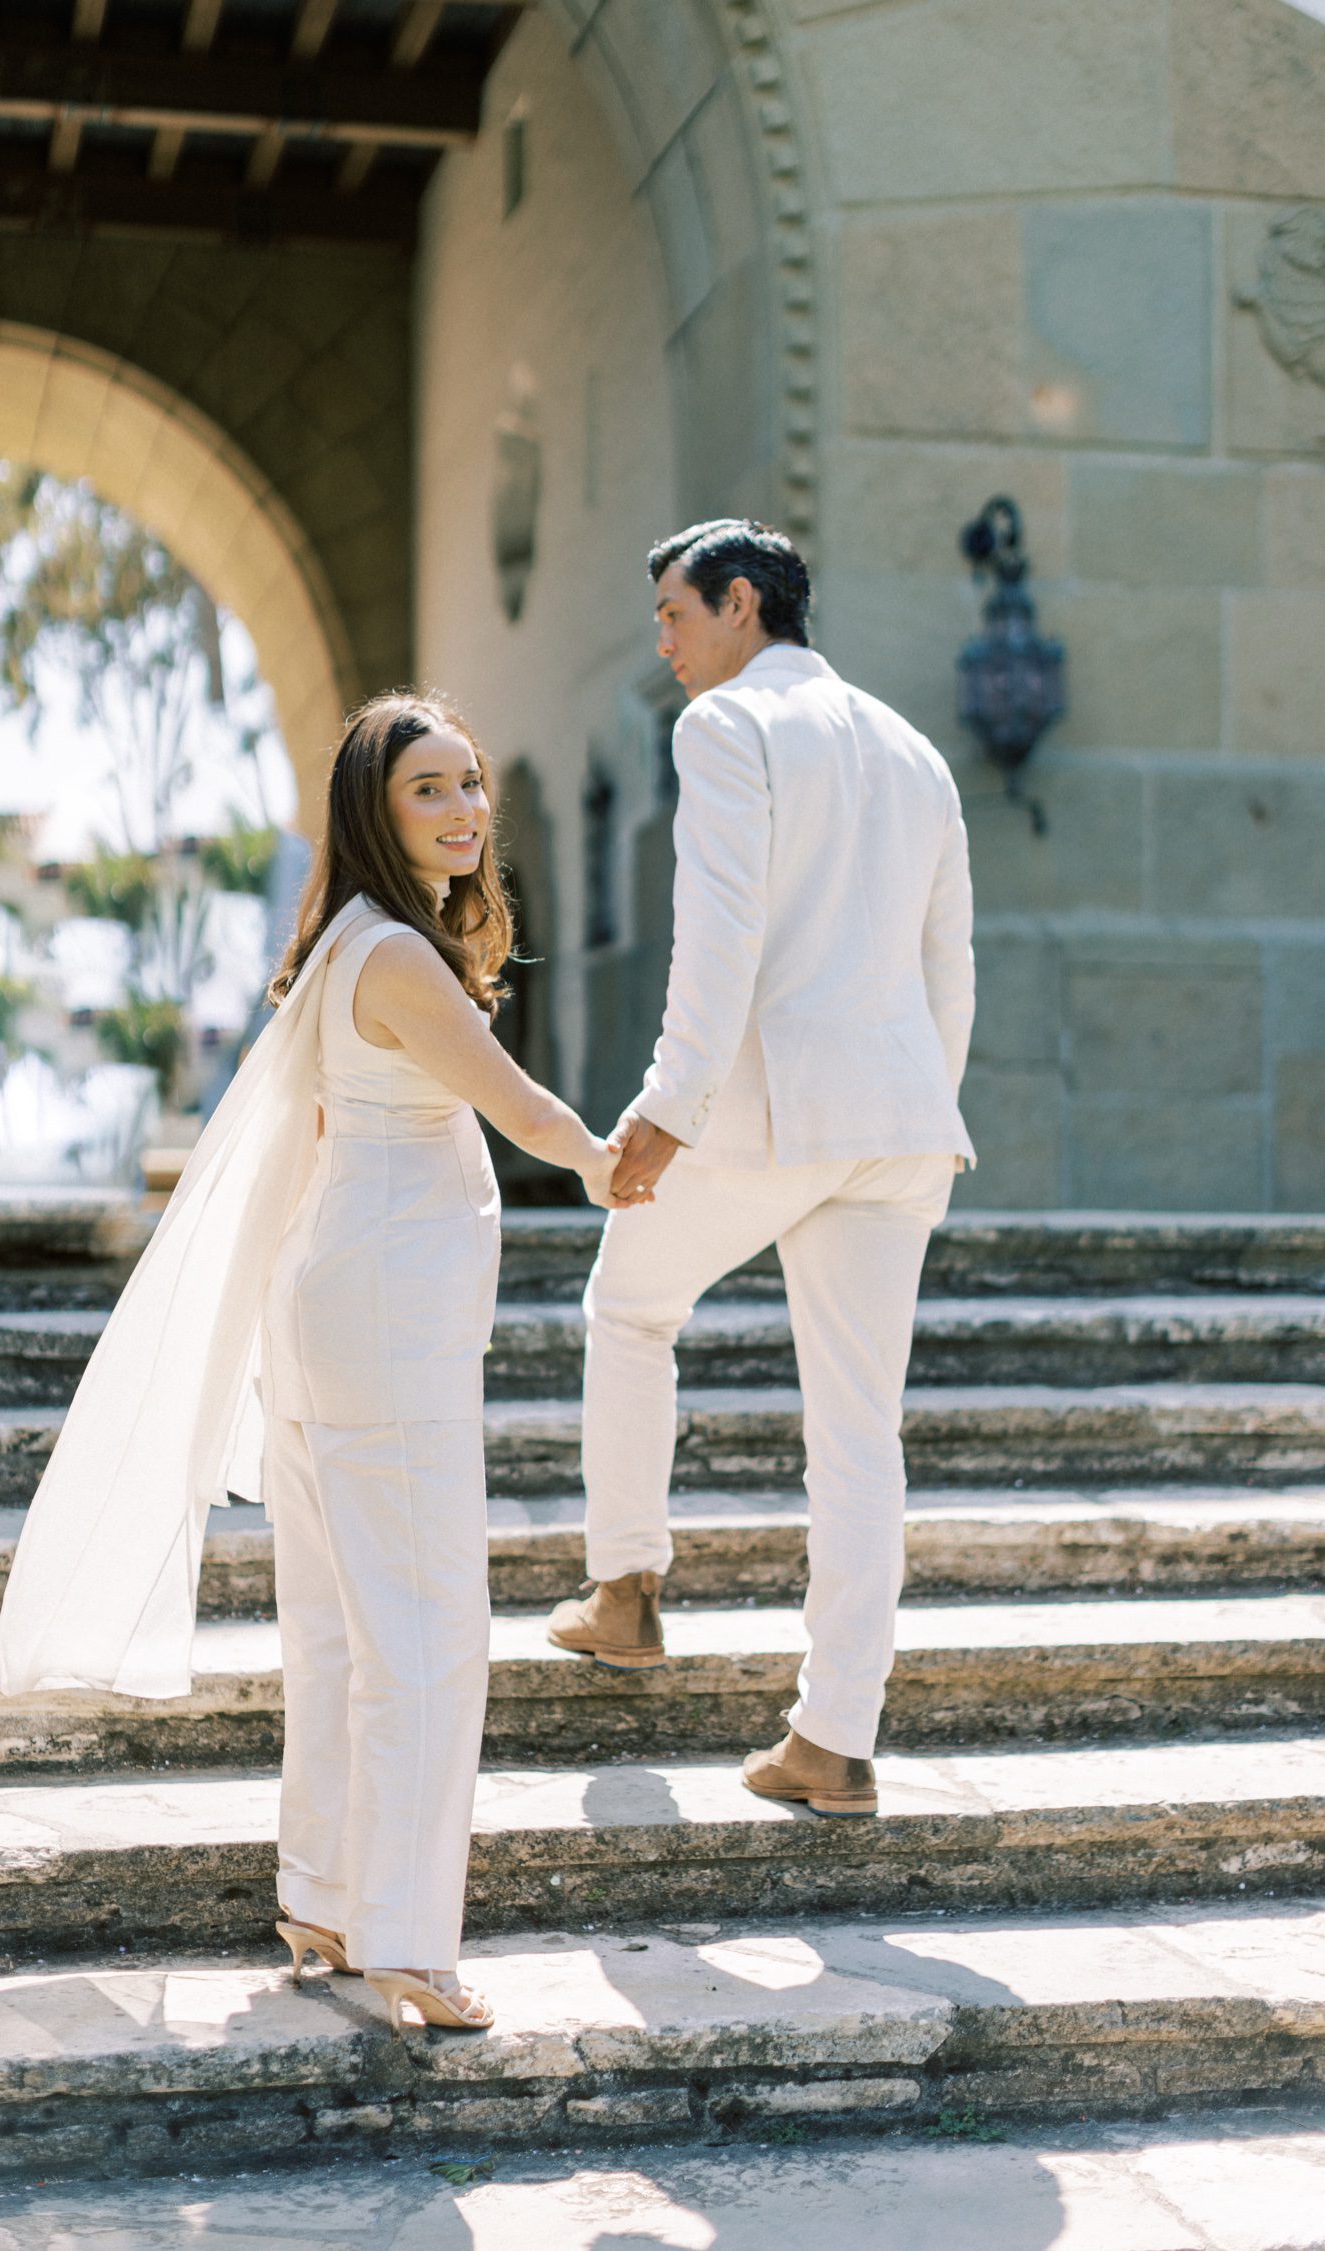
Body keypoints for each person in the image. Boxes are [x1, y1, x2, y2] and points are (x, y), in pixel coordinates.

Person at [0, 692, 617, 2037]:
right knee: (431, 1631)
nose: (463, 812)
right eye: (428, 793)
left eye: (469, 785)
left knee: (341, 1622)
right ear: (374, 816)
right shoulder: (396, 957)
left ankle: (329, 1895)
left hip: (347, 1300)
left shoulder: (347, 943)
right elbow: (522, 1108)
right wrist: (623, 1164)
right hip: (385, 1315)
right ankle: (405, 1940)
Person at [546, 519, 976, 1818]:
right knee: (860, 1434)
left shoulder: (727, 728)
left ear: (742, 605)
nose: (664, 644)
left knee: (628, 1309)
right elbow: (948, 964)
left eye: (675, 615)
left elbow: (717, 936)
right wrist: (926, 1102)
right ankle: (834, 1741)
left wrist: (666, 1109)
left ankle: (625, 1591)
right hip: (901, 1121)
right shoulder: (917, 752)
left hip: (775, 1104)